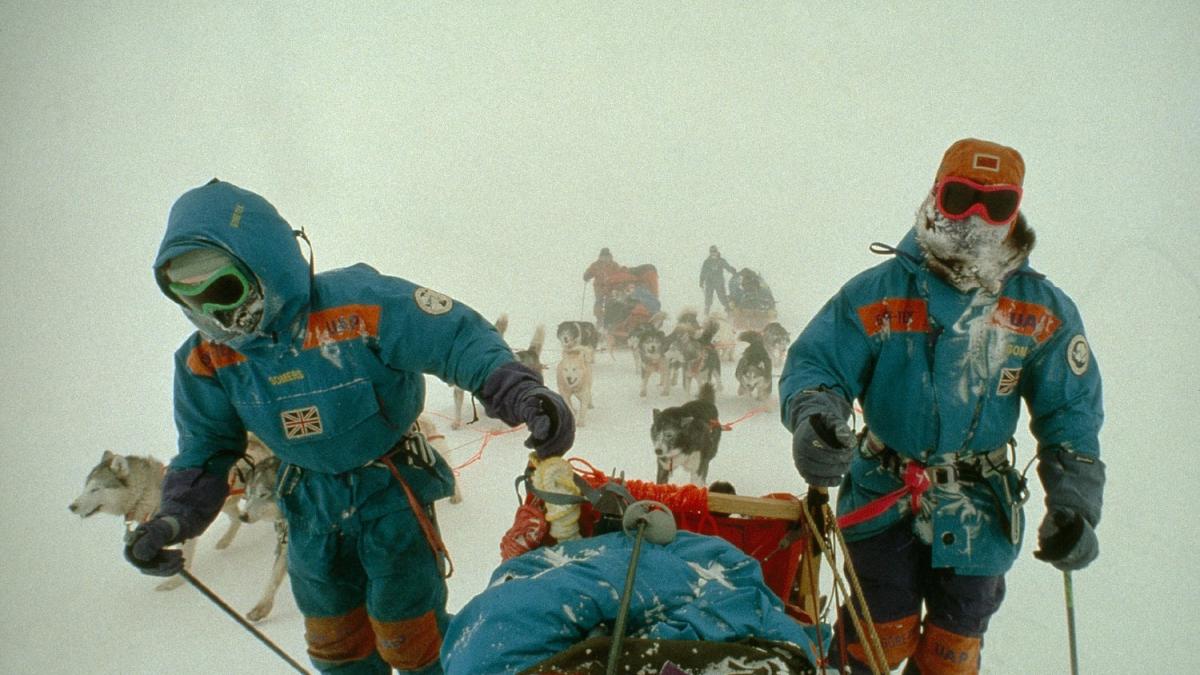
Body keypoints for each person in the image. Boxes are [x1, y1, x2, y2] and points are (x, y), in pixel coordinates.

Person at [124, 179, 575, 674]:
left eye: (224, 289)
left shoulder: (356, 306)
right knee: (335, 641)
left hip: (389, 486)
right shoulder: (209, 360)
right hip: (308, 502)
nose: (217, 313)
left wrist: (518, 389)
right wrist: (173, 518)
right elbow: (207, 449)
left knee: (411, 633)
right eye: (192, 300)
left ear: (263, 265)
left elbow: (453, 337)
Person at [779, 139, 1104, 673]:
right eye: (960, 198)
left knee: (954, 653)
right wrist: (816, 418)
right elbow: (819, 364)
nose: (976, 217)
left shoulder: (1040, 309)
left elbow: (1071, 412)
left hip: (982, 511)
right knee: (874, 640)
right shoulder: (877, 293)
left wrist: (1075, 504)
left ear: (1015, 211)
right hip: (883, 498)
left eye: (996, 204)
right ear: (936, 195)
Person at [582, 247, 621, 324]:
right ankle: (599, 319)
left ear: (609, 256)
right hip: (599, 287)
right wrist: (586, 276)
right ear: (600, 256)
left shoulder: (614, 265)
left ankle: (609, 319)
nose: (605, 258)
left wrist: (619, 284)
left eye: (606, 256)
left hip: (611, 287)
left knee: (610, 302)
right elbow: (589, 272)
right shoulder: (596, 265)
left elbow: (619, 274)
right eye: (603, 256)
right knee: (599, 302)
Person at [699, 245, 736, 315]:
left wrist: (733, 271)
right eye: (711, 252)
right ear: (709, 253)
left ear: (717, 252)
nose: (713, 253)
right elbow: (703, 272)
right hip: (709, 283)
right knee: (708, 300)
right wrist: (701, 281)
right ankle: (706, 314)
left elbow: (727, 267)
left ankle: (729, 313)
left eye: (714, 251)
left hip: (719, 283)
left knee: (723, 298)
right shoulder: (707, 262)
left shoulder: (721, 261)